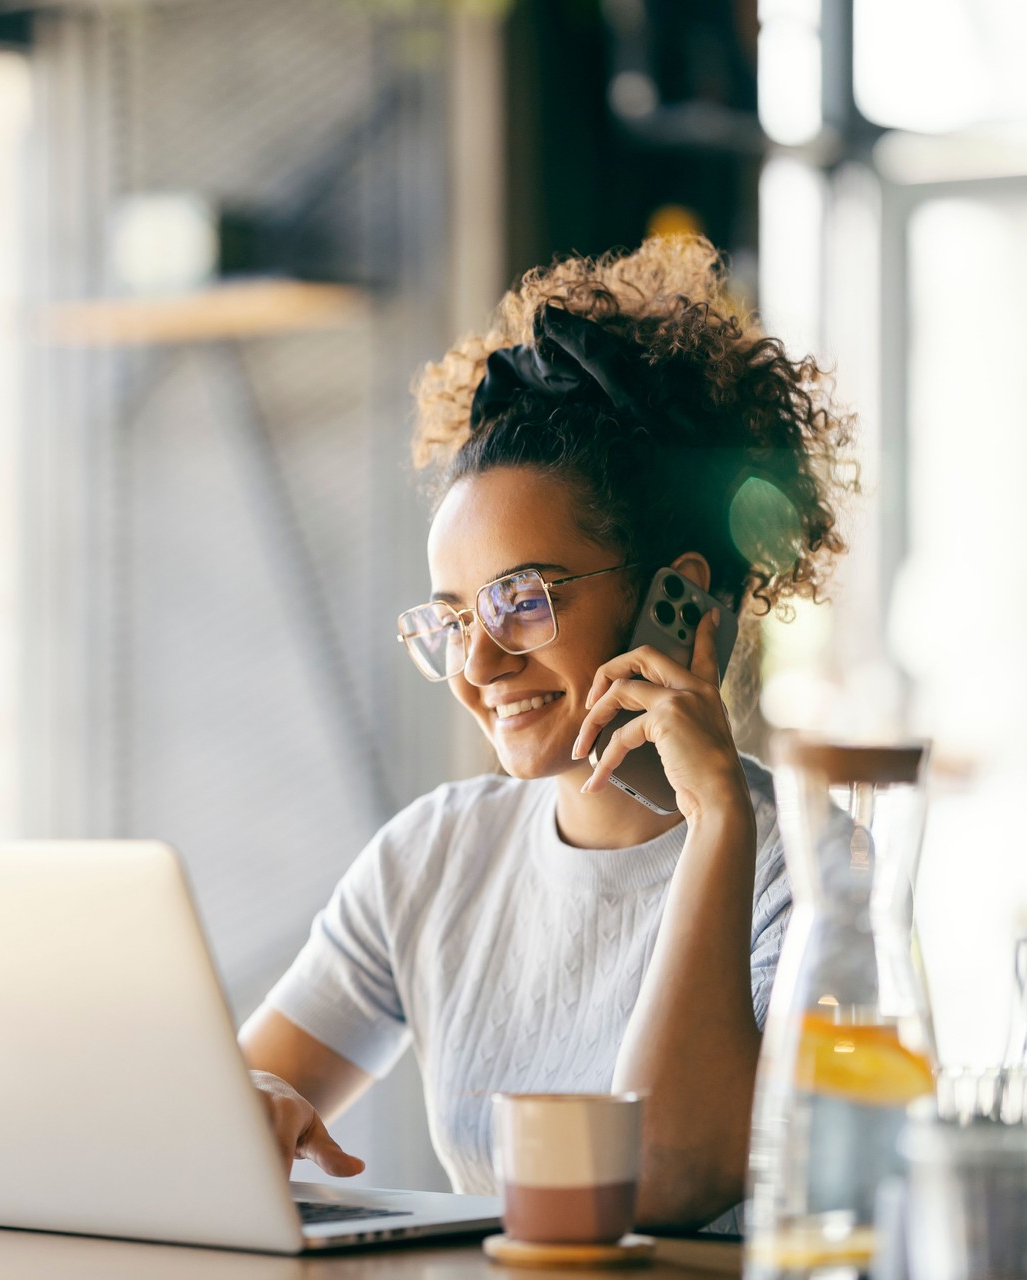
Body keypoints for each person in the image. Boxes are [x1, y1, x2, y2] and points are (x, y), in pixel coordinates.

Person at [237, 235, 855, 1230]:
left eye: (522, 600)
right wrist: (246, 1107)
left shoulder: (816, 872)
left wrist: (716, 824)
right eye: (452, 617)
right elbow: (214, 1117)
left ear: (678, 599)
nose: (477, 665)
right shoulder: (433, 857)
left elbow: (662, 1178)